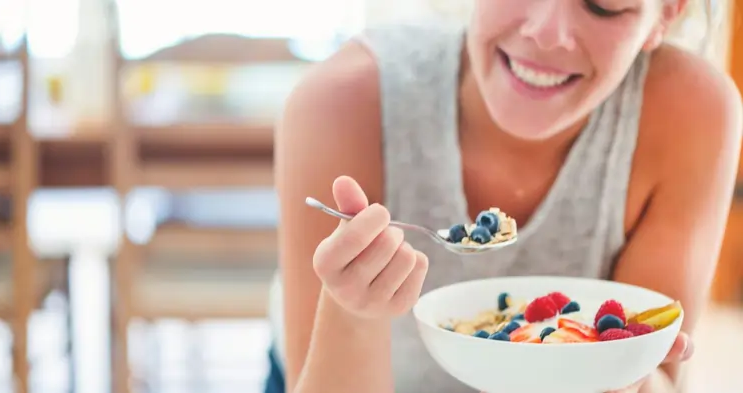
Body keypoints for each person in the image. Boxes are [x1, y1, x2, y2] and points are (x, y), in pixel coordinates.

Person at [267, 0, 743, 392]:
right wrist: (352, 315)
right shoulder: (342, 101)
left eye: (603, 6)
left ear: (665, 14)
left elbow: (658, 371)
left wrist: (632, 381)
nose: (546, 32)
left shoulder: (692, 114)